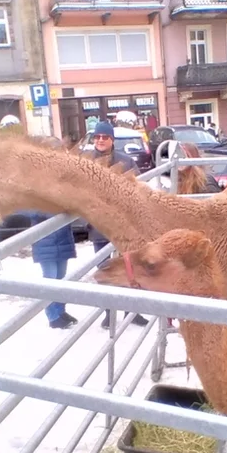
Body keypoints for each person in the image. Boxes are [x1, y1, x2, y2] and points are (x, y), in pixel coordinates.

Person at [81, 121, 147, 329]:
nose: (100, 140)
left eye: (105, 137)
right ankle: (109, 312)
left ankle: (132, 311)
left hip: (122, 227)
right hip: (99, 226)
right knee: (105, 270)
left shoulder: (126, 162)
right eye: (97, 137)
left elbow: (138, 188)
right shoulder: (84, 161)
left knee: (129, 269)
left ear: (112, 140)